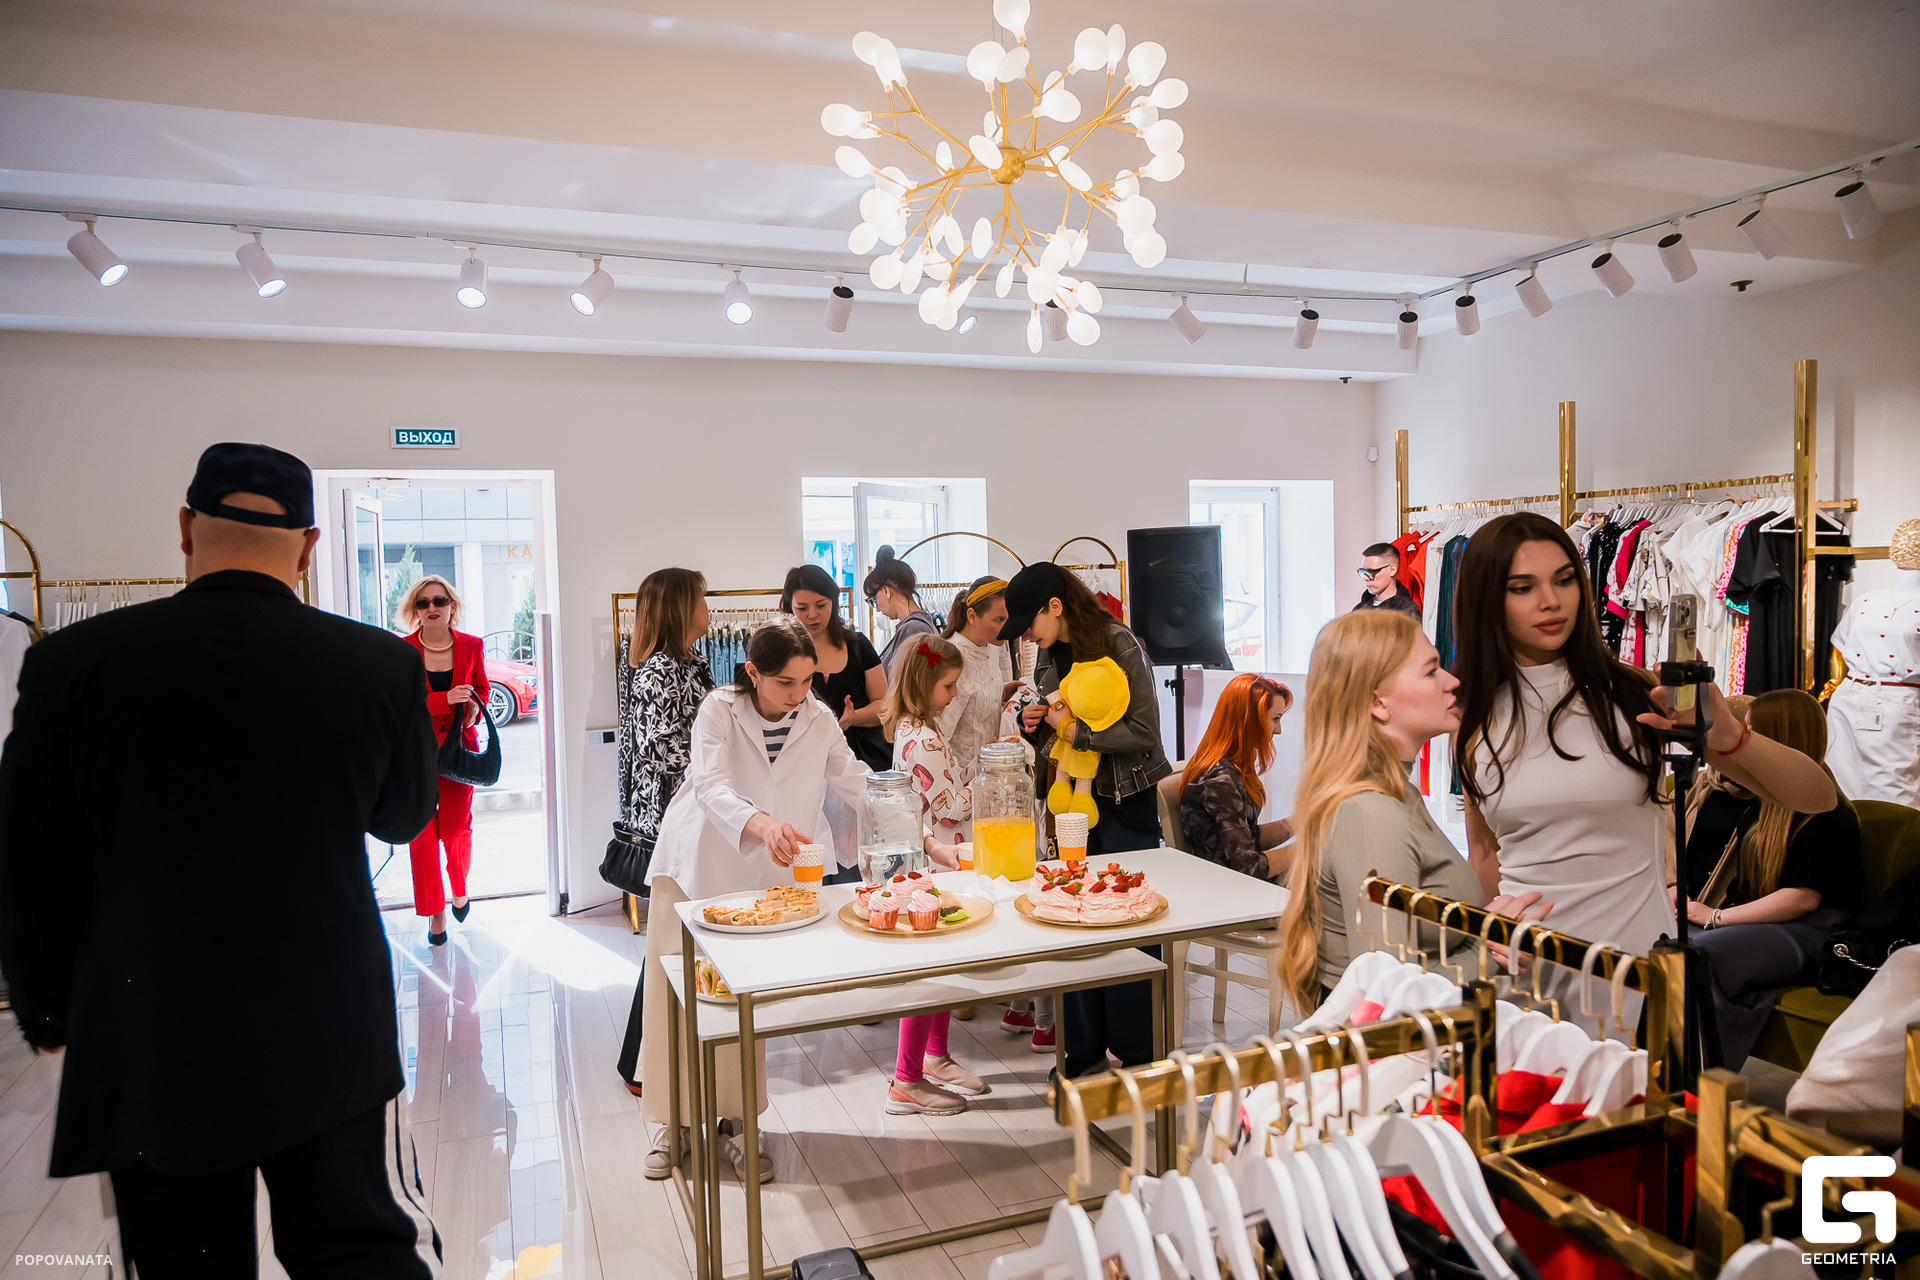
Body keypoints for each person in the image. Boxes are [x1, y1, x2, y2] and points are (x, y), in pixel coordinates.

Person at [0, 443, 443, 1277]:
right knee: (359, 1251)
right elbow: (403, 817)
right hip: (326, 1014)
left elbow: (29, 861)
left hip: (149, 1022)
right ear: (309, 547)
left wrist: (48, 1009)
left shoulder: (71, 664)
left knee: (185, 1261)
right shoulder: (378, 663)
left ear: (184, 528)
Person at [1454, 512, 1838, 956]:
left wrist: (1730, 735)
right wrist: (1486, 945)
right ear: (1486, 599)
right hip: (1528, 966)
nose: (1551, 600)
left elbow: (1817, 797)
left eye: (1564, 580)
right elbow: (1485, 855)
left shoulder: (1634, 694)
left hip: (1636, 964)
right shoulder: (1473, 714)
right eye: (1522, 588)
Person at [640, 618, 871, 1183]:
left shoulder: (817, 719)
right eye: (786, 682)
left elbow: (857, 781)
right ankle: (674, 1124)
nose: (799, 694)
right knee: (679, 998)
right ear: (753, 672)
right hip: (696, 865)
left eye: (807, 680)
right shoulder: (719, 709)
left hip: (766, 881)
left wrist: (921, 825)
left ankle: (741, 1124)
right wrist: (763, 823)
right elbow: (709, 784)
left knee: (742, 1002)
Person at [1280, 611, 1508, 1012]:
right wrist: (1492, 953)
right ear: (1378, 703)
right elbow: (1385, 994)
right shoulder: (1370, 811)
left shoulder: (1395, 793)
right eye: (1431, 671)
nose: (1451, 681)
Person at [1000, 561, 1170, 1080]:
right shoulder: (1049, 653)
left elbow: (1146, 733)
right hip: (1070, 804)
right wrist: (1035, 725)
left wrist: (1077, 735)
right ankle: (1084, 1050)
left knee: (1129, 921)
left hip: (1125, 801)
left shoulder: (1121, 643)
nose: (1027, 637)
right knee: (1069, 919)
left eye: (1029, 624)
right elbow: (1054, 727)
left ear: (1055, 606)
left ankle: (1139, 1054)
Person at [1675, 689, 1861, 1069]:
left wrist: (1715, 917)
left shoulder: (1827, 811)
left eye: (1751, 732)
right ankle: (1681, 1068)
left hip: (1816, 931)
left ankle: (1696, 1074)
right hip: (1775, 925)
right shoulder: (1762, 806)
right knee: (1672, 941)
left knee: (1697, 953)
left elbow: (1802, 898)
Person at [614, 567, 714, 1098]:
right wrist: (717, 774)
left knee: (677, 939)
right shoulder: (659, 671)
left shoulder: (691, 663)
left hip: (692, 814)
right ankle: (640, 1063)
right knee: (667, 941)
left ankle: (656, 1057)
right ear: (680, 608)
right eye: (701, 598)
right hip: (671, 821)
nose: (708, 608)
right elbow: (663, 750)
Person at [880, 633, 990, 1114]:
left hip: (937, 859)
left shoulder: (915, 728)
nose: (953, 694)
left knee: (944, 967)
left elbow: (942, 790)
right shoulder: (923, 738)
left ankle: (935, 1056)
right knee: (928, 974)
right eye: (948, 686)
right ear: (925, 684)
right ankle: (906, 1079)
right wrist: (988, 776)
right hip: (938, 861)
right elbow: (950, 808)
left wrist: (974, 767)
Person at [396, 574, 490, 946]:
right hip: (415, 755)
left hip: (458, 752)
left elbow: (481, 688)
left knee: (455, 831)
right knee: (421, 837)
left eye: (439, 601)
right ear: (415, 611)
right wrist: (444, 699)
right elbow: (400, 703)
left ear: (452, 605)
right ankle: (435, 912)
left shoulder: (472, 645)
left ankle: (459, 886)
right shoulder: (403, 650)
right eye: (423, 603)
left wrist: (473, 711)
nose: (432, 608)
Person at [1179, 672, 1296, 881]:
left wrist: (1302, 822)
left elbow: (1247, 836)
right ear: (1250, 720)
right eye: (1275, 719)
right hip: (1228, 888)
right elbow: (1249, 867)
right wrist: (1304, 851)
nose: (1278, 730)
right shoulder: (1219, 780)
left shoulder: (1227, 770)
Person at [783, 563, 891, 772]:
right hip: (805, 763)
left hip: (865, 759)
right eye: (802, 608)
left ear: (833, 601)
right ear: (790, 606)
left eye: (821, 605)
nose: (812, 615)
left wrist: (853, 717)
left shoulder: (858, 644)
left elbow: (884, 705)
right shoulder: (782, 653)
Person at [939, 576, 1020, 771]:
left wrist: (1002, 692)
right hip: (960, 773)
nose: (1007, 627)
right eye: (999, 620)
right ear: (972, 616)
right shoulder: (953, 658)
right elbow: (940, 732)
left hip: (993, 768)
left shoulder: (994, 645)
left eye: (1009, 619)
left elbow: (976, 697)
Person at [867, 545, 941, 685]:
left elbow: (908, 686)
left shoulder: (914, 629)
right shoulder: (917, 624)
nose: (877, 609)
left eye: (874, 600)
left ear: (886, 591)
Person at [1352, 541, 1422, 619]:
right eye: (1363, 572)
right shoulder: (1358, 611)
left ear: (1392, 570)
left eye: (1371, 572)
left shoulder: (1408, 613)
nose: (1366, 578)